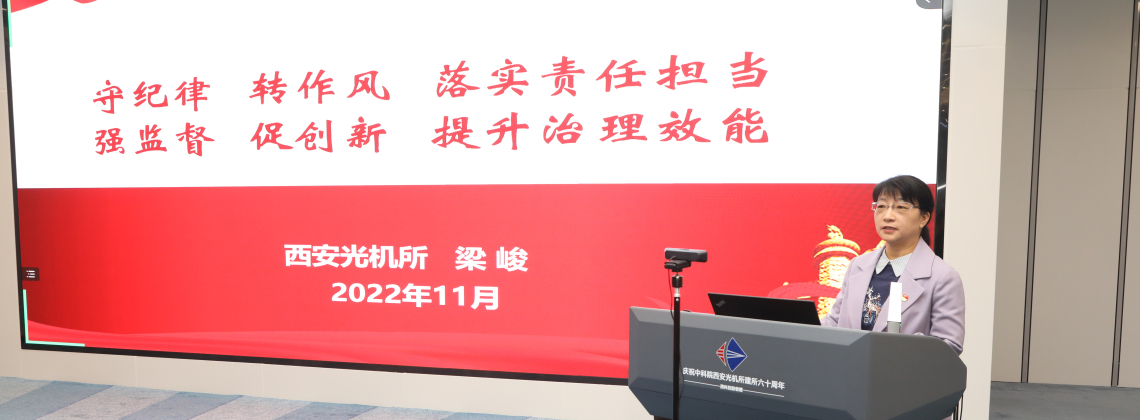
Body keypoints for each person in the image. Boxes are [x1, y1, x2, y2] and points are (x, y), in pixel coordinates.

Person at [822, 175, 965, 355]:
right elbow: (835, 322)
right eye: (881, 206)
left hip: (902, 372)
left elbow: (949, 346)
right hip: (850, 369)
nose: (888, 216)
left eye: (900, 207)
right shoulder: (858, 265)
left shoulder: (943, 276)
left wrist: (902, 345)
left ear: (924, 218)